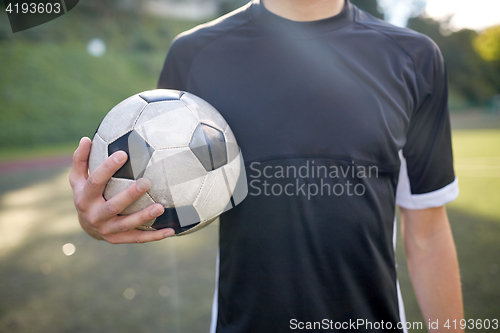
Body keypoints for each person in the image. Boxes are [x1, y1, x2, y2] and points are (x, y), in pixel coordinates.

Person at [69, 0, 464, 331]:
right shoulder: (196, 54)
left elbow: (427, 234)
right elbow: (160, 195)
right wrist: (104, 217)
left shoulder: (415, 58)